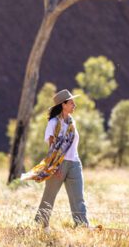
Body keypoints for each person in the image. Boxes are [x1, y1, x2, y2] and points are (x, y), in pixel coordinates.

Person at [22, 88, 90, 229]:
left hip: (74, 163)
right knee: (49, 195)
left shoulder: (72, 122)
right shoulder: (53, 123)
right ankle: (41, 225)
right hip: (58, 163)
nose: (74, 105)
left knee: (78, 197)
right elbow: (52, 146)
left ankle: (82, 225)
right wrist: (54, 166)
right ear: (63, 105)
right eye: (71, 103)